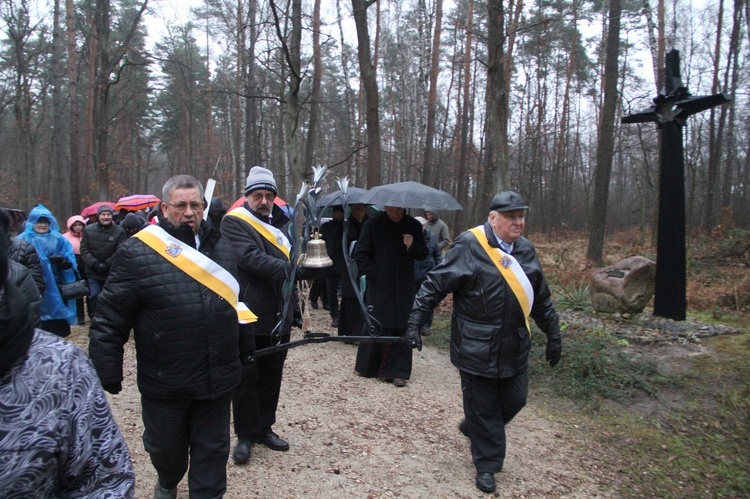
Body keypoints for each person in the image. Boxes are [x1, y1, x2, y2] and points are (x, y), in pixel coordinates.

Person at [89, 175, 255, 499]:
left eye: (196, 205)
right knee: (166, 450)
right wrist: (105, 368)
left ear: (204, 207)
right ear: (165, 208)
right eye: (181, 206)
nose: (189, 212)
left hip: (216, 378)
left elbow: (237, 303)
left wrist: (245, 350)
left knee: (212, 457)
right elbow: (110, 316)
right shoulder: (137, 252)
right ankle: (167, 480)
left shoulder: (221, 245)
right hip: (166, 382)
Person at [405, 191, 562, 494]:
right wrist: (414, 322)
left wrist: (553, 333)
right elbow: (435, 284)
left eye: (521, 216)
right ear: (493, 218)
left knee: (516, 399)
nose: (518, 222)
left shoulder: (526, 250)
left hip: (514, 345)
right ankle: (487, 465)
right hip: (476, 345)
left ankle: (475, 426)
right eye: (511, 217)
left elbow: (540, 297)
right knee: (484, 406)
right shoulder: (470, 245)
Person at [0, 208, 135, 498]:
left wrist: (91, 264)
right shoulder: (29, 238)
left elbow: (104, 478)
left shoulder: (60, 367)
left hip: (56, 287)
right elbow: (85, 250)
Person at [222, 166, 315, 463]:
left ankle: (265, 427)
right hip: (250, 312)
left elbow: (290, 260)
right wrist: (292, 269)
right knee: (247, 378)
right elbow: (250, 259)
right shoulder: (234, 223)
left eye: (268, 196)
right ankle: (245, 435)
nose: (263, 201)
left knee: (273, 375)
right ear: (247, 197)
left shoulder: (281, 227)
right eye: (258, 195)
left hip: (280, 312)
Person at [353, 205, 427, 387]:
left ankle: (398, 371)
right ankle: (369, 366)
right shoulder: (373, 224)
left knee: (402, 323)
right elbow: (360, 254)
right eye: (392, 211)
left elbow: (423, 254)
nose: (396, 215)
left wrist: (412, 246)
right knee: (376, 323)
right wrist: (375, 274)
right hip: (379, 284)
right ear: (386, 208)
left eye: (399, 211)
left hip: (403, 285)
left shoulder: (413, 226)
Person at [16, 205, 79, 337]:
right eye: (39, 221)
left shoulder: (58, 239)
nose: (43, 225)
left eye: (45, 222)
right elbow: (16, 262)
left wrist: (63, 262)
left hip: (57, 286)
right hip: (33, 286)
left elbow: (70, 260)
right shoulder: (23, 239)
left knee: (58, 327)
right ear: (32, 222)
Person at [81, 204, 127, 318]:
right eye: (103, 214)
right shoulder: (88, 229)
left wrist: (107, 264)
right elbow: (84, 250)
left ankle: (109, 317)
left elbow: (120, 251)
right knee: (95, 295)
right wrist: (95, 263)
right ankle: (95, 317)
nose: (106, 217)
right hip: (93, 271)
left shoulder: (119, 231)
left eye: (108, 214)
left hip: (110, 271)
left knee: (110, 296)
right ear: (98, 216)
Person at [337, 203, 369, 339]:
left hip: (365, 265)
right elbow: (339, 243)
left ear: (365, 210)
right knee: (349, 298)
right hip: (349, 264)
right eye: (354, 209)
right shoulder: (346, 224)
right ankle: (347, 331)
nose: (356, 212)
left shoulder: (370, 224)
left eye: (359, 209)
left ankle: (360, 331)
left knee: (363, 296)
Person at [412, 216, 442, 335]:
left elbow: (438, 255)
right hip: (412, 275)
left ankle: (425, 325)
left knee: (428, 301)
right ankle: (412, 325)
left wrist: (438, 270)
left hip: (428, 274)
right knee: (412, 300)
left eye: (422, 226)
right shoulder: (410, 237)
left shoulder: (431, 237)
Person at [320, 205, 345, 327]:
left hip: (344, 264)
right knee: (331, 292)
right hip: (329, 263)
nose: (338, 215)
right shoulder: (326, 227)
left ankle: (344, 315)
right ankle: (335, 316)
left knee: (345, 292)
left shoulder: (347, 227)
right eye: (336, 212)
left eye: (340, 213)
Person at [62, 215, 88, 324]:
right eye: (75, 225)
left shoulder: (88, 235)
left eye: (80, 225)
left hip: (87, 263)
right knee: (77, 291)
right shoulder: (64, 237)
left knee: (90, 290)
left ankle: (92, 314)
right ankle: (79, 316)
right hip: (72, 264)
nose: (78, 227)